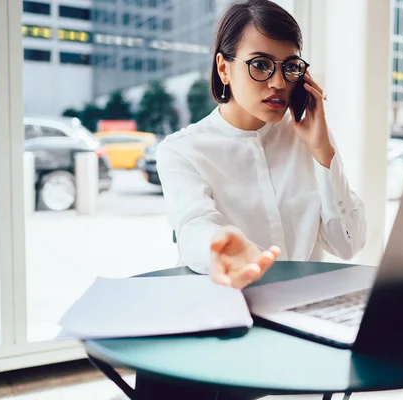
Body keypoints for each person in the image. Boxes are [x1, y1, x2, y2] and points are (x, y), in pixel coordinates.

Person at [147, 1, 367, 398]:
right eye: (261, 64)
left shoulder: (310, 137)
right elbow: (194, 225)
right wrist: (218, 247)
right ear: (224, 68)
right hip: (226, 327)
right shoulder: (183, 150)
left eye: (290, 66)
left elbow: (348, 244)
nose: (279, 82)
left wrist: (323, 153)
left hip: (305, 325)